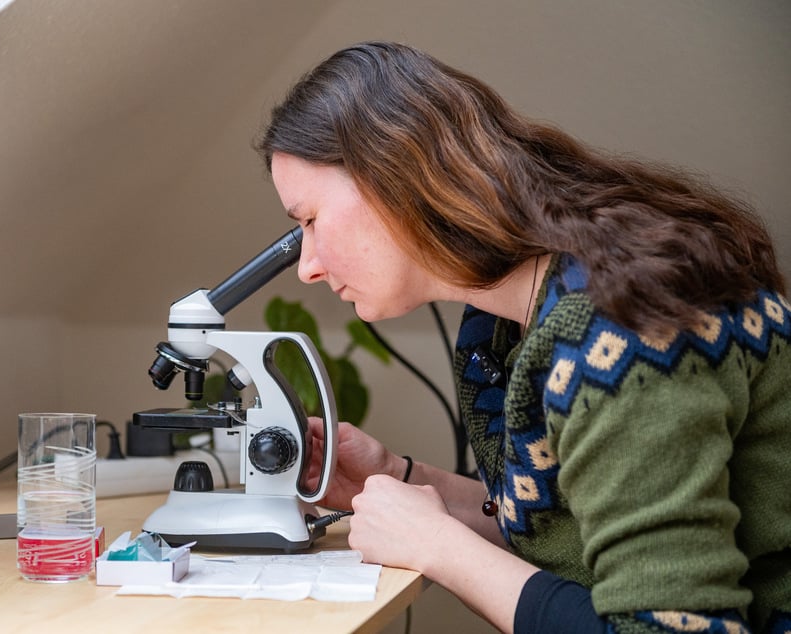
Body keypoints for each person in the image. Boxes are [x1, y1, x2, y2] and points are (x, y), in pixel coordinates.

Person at [254, 41, 791, 633]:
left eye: (308, 220)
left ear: (393, 173)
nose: (306, 266)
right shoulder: (502, 326)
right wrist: (403, 477)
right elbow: (574, 541)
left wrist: (441, 549)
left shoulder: (622, 327)